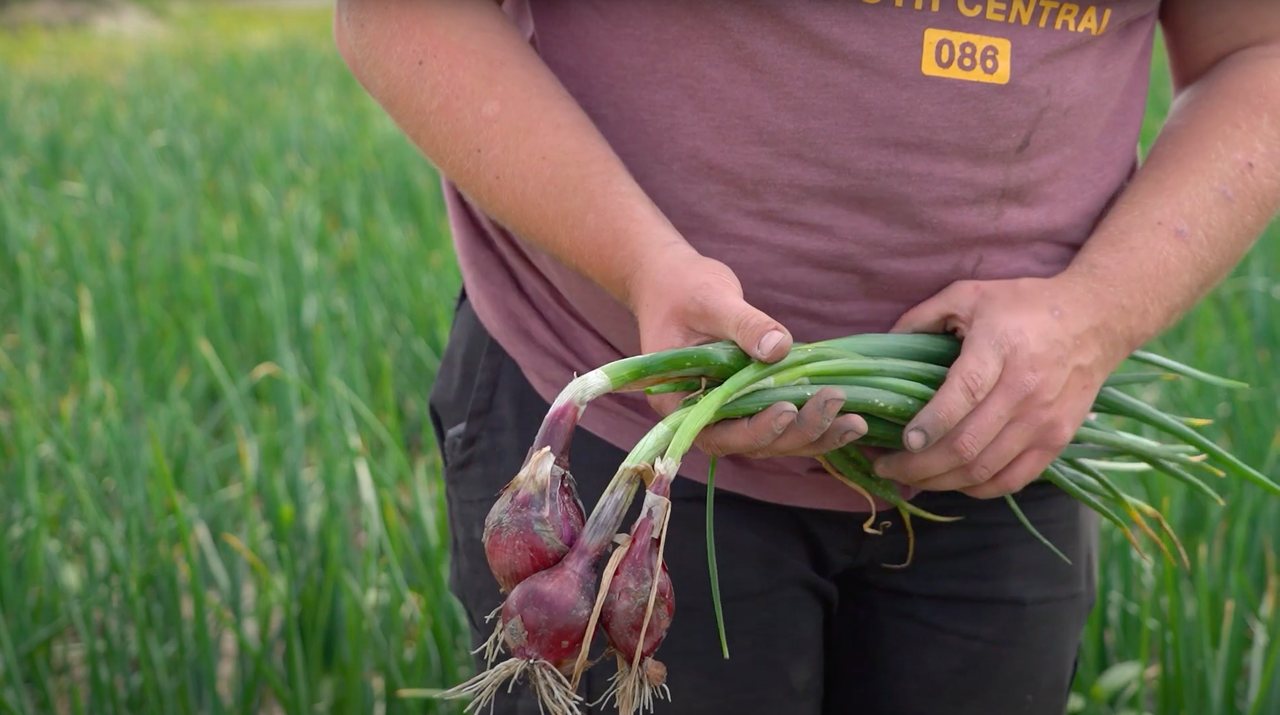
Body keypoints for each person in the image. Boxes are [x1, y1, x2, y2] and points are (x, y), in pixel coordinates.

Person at [333, 1, 1280, 713]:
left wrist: (1094, 317)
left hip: (1004, 460)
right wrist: (640, 263)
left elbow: (1257, 49)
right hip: (616, 447)